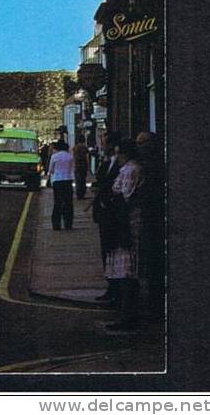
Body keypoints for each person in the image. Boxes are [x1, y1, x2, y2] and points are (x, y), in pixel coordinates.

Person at [105, 139, 144, 332]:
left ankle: (128, 317)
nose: (117, 156)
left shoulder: (130, 170)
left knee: (127, 271)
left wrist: (111, 200)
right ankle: (126, 314)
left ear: (127, 154)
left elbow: (125, 197)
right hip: (124, 224)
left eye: (119, 153)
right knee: (125, 270)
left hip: (127, 226)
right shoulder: (128, 169)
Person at [136, 131, 165, 321]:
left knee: (153, 265)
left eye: (141, 144)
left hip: (153, 222)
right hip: (148, 221)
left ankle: (155, 307)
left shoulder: (151, 167)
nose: (139, 148)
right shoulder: (148, 165)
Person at [90, 132, 122, 303]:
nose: (101, 143)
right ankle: (111, 287)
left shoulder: (121, 165)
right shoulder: (107, 162)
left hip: (113, 214)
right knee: (107, 253)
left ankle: (116, 290)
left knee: (114, 253)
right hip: (104, 213)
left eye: (104, 141)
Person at [47, 140, 75, 231]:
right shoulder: (70, 157)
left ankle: (56, 225)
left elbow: (51, 170)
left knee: (58, 203)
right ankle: (68, 224)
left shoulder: (54, 156)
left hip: (57, 181)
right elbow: (72, 169)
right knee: (68, 203)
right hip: (67, 180)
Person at [73, 135, 90, 200]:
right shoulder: (84, 147)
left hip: (77, 166)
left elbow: (74, 157)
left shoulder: (75, 148)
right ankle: (82, 194)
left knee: (78, 180)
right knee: (83, 180)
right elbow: (87, 157)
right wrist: (88, 167)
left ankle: (78, 194)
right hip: (83, 165)